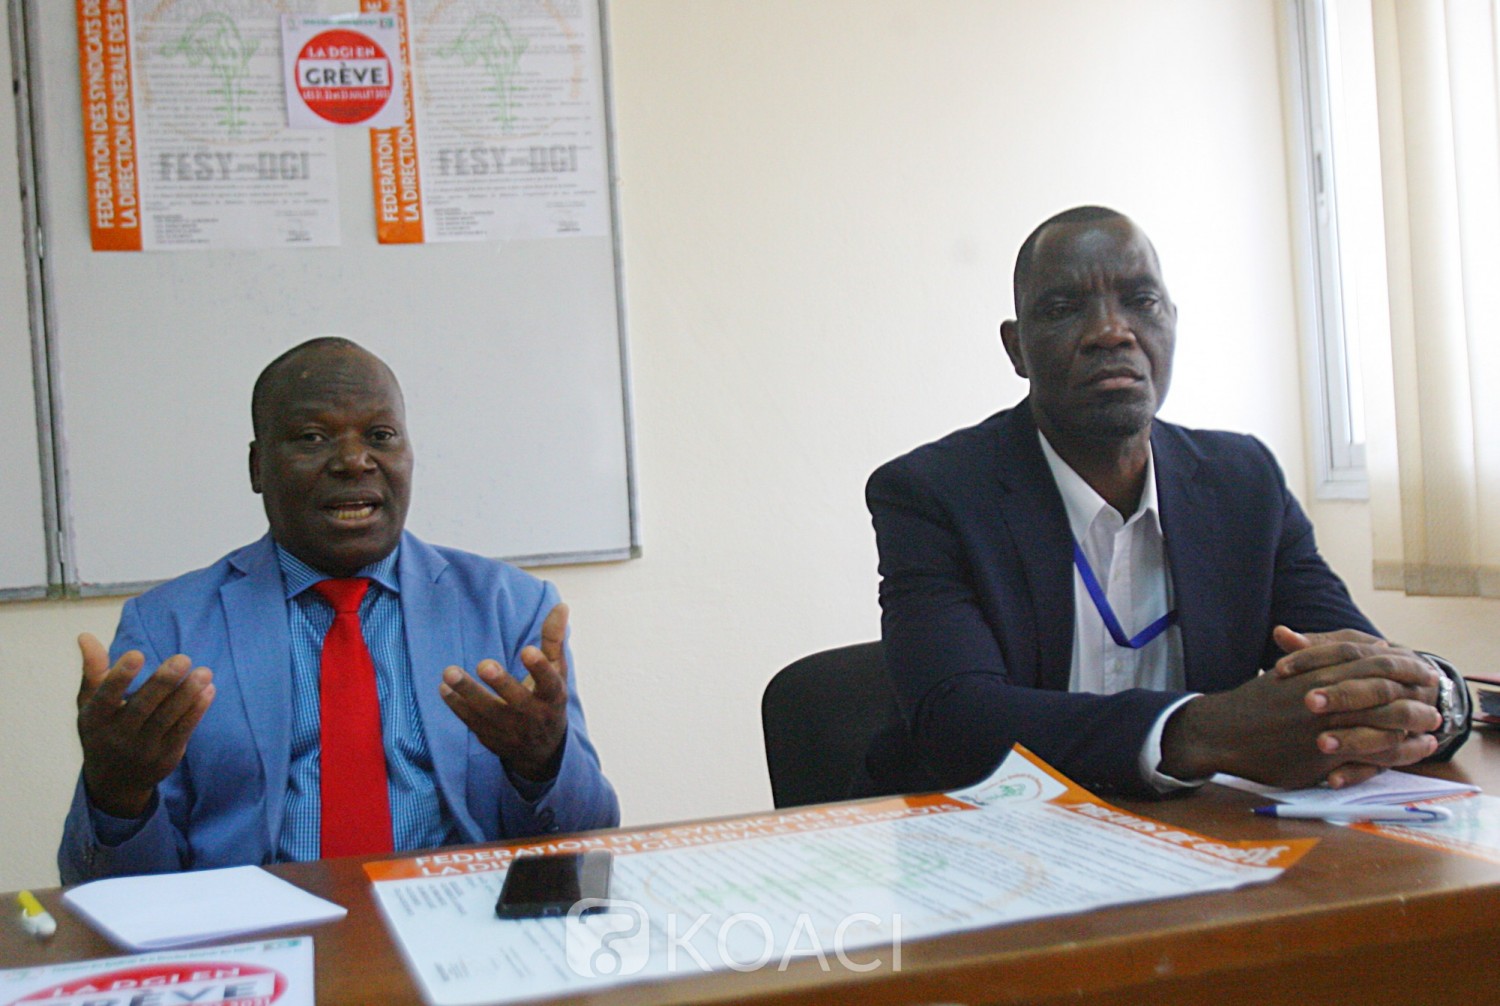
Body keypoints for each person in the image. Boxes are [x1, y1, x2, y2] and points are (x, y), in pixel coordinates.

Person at [864, 206, 1470, 799]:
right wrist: (1201, 732)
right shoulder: (934, 493)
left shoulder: (1243, 483)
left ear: (1172, 323)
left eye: (1141, 301)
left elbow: (1353, 662)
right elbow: (959, 724)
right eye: (1063, 308)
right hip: (987, 838)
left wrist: (1433, 697)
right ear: (1017, 348)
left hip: (1198, 837)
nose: (1111, 331)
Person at [59, 338, 618, 883]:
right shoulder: (168, 627)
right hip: (258, 929)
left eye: (381, 436)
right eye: (312, 437)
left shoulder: (510, 608)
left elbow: (592, 842)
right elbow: (109, 895)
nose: (354, 461)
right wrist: (117, 793)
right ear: (257, 468)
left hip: (455, 919)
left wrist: (543, 764)